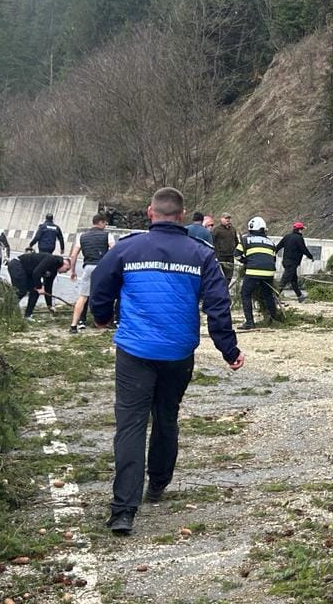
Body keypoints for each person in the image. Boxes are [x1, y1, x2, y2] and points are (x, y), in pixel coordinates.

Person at [89, 186, 242, 536]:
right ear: (183, 214)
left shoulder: (127, 248)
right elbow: (218, 305)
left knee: (130, 425)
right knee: (166, 417)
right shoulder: (200, 254)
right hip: (177, 353)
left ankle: (124, 510)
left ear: (150, 212)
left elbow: (101, 283)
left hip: (135, 352)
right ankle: (157, 483)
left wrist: (101, 317)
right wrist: (229, 350)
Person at [67, 213, 114, 333]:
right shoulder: (107, 235)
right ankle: (104, 321)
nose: (105, 225)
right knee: (105, 295)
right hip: (102, 268)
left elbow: (73, 255)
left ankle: (74, 325)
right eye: (105, 223)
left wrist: (72, 270)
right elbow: (114, 251)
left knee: (83, 297)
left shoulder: (82, 236)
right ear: (101, 222)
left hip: (88, 267)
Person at [239, 216, 280, 330]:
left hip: (253, 271)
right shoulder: (270, 242)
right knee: (268, 295)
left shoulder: (246, 239)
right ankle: (273, 318)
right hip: (269, 273)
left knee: (245, 294)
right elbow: (274, 259)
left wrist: (245, 261)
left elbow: (236, 254)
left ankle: (249, 322)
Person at [9, 250, 63, 318]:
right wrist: (39, 287)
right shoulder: (51, 259)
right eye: (66, 269)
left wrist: (49, 306)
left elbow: (48, 288)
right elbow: (36, 273)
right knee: (21, 291)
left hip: (28, 272)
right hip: (17, 265)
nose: (65, 272)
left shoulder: (53, 271)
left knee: (35, 292)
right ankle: (7, 308)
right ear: (65, 264)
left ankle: (28, 316)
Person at [276, 220, 316, 302]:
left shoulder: (287, 236)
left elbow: (278, 247)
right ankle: (275, 296)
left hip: (285, 262)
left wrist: (272, 254)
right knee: (284, 280)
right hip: (292, 263)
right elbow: (303, 249)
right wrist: (310, 256)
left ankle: (300, 296)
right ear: (300, 230)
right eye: (302, 229)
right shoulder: (299, 238)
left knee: (293, 280)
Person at [212, 213, 240, 295]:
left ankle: (224, 291)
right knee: (219, 276)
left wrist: (237, 251)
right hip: (220, 256)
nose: (228, 220)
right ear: (221, 219)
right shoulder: (217, 230)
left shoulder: (233, 229)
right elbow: (212, 241)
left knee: (229, 276)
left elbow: (236, 241)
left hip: (230, 256)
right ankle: (219, 292)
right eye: (226, 218)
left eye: (229, 218)